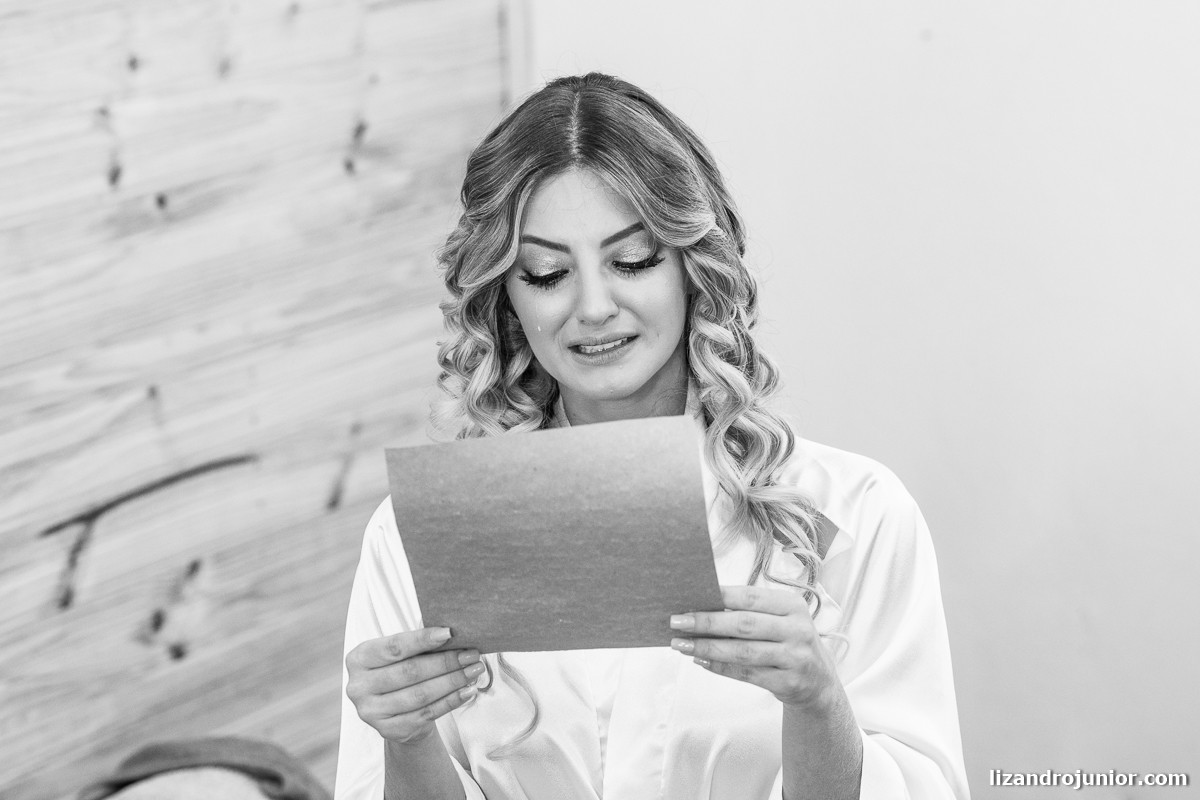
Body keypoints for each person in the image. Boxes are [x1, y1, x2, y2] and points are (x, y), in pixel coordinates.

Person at [335, 73, 970, 800]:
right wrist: (406, 737)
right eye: (546, 273)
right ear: (506, 297)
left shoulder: (857, 516)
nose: (593, 307)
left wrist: (817, 702)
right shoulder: (416, 540)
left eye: (632, 260)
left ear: (692, 267)